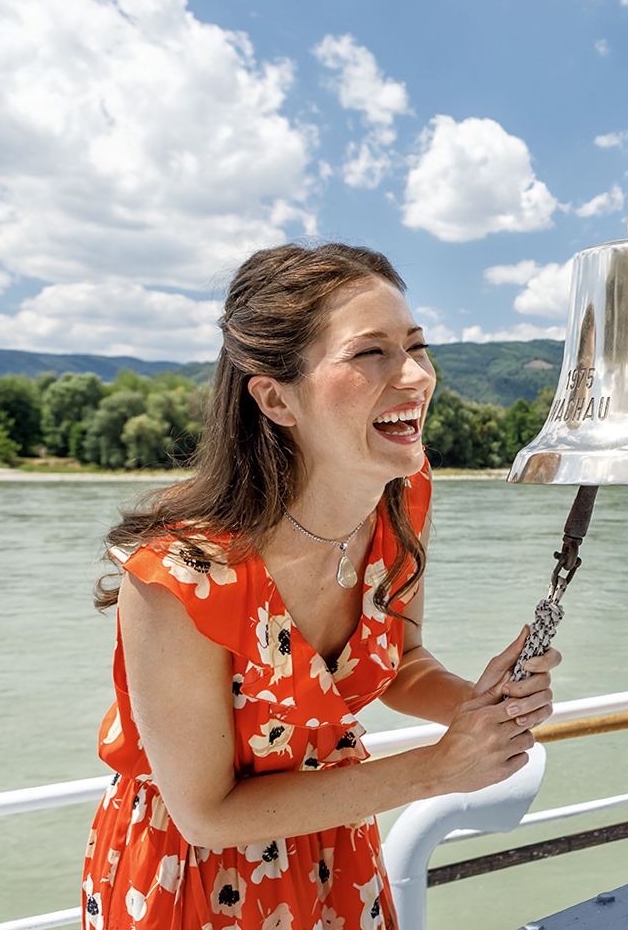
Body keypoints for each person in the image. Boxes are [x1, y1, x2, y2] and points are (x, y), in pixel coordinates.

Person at [82, 243, 558, 929]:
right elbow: (207, 815)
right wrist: (438, 770)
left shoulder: (401, 498)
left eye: (417, 346)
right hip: (193, 885)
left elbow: (400, 664)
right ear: (277, 398)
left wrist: (481, 707)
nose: (416, 375)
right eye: (372, 353)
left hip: (338, 855)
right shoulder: (178, 579)